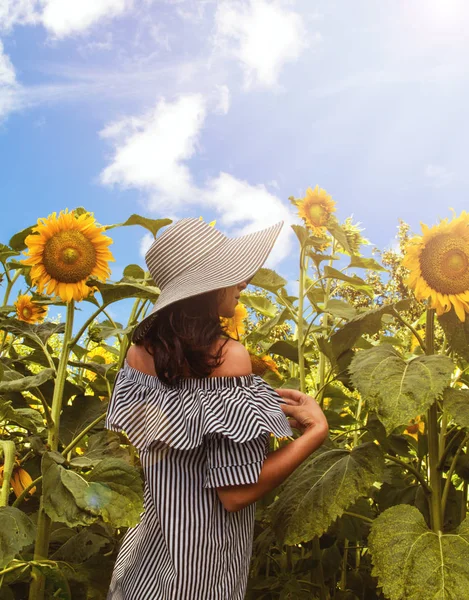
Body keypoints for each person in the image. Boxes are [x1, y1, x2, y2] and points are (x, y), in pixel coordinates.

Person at [105, 217, 328, 600]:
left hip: (142, 565)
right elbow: (236, 492)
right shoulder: (228, 357)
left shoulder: (137, 356)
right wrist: (315, 434)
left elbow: (174, 430)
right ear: (205, 287)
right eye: (231, 273)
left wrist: (256, 406)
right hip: (201, 572)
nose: (243, 282)